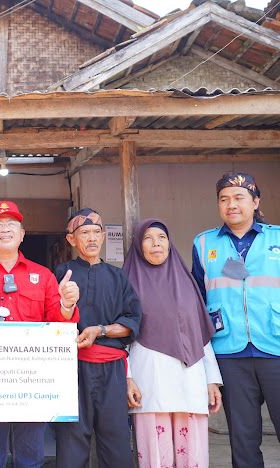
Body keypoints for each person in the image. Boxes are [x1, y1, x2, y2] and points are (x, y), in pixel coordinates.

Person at [0, 200, 79, 468]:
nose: (5, 228)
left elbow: (60, 325)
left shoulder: (43, 276)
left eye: (12, 224)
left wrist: (67, 305)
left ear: (22, 234)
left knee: (31, 458)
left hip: (32, 382)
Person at [192, 172, 280, 468]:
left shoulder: (277, 238)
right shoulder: (204, 244)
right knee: (243, 438)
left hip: (276, 347)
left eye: (239, 197)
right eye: (224, 199)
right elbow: (197, 300)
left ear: (255, 202)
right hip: (229, 352)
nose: (231, 204)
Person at [123, 218, 222, 468]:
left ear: (170, 243)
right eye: (148, 238)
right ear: (138, 245)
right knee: (157, 454)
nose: (156, 244)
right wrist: (127, 377)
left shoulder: (187, 282)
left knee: (193, 453)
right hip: (150, 379)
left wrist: (212, 379)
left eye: (162, 238)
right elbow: (121, 336)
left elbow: (200, 332)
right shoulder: (126, 284)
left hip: (189, 378)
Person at [53, 207, 142, 468]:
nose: (92, 238)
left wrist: (100, 330)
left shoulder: (118, 277)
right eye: (84, 232)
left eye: (96, 232)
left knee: (116, 443)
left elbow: (132, 321)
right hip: (71, 369)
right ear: (71, 239)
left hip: (112, 369)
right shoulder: (60, 273)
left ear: (103, 236)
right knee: (71, 443)